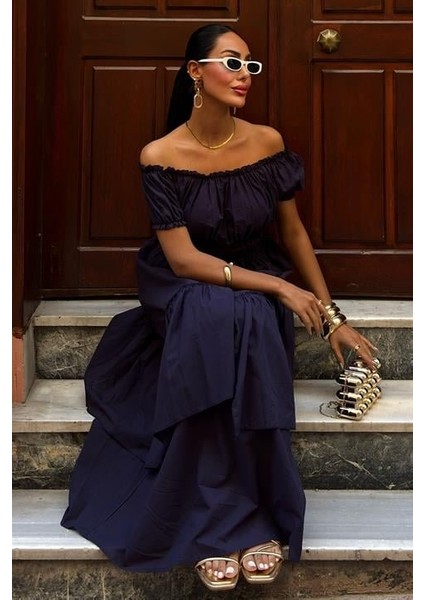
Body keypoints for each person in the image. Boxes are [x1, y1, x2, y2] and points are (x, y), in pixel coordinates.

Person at [61, 23, 378, 591]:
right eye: (232, 62)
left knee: (244, 315)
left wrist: (332, 316)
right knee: (218, 313)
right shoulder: (160, 155)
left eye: (251, 65)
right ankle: (221, 521)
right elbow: (183, 260)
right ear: (194, 72)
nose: (245, 75)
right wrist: (280, 288)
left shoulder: (267, 142)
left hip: (251, 277)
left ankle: (241, 513)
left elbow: (293, 234)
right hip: (183, 281)